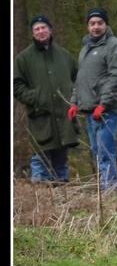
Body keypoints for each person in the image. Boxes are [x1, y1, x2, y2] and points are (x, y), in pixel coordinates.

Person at [14, 15, 80, 183]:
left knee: (61, 159)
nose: (41, 31)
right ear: (32, 33)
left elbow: (78, 79)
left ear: (50, 30)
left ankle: (62, 200)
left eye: (44, 27)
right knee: (40, 157)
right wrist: (36, 97)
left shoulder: (64, 55)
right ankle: (40, 199)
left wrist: (73, 99)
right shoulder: (23, 58)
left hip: (64, 116)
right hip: (40, 116)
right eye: (37, 29)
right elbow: (16, 86)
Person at [68, 7, 117, 191]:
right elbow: (81, 79)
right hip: (89, 111)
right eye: (92, 24)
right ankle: (106, 190)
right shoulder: (85, 49)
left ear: (106, 24)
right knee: (97, 152)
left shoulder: (114, 45)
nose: (96, 27)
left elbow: (116, 77)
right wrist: (74, 102)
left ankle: (111, 192)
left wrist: (104, 104)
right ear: (87, 26)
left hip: (107, 111)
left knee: (105, 152)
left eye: (99, 23)